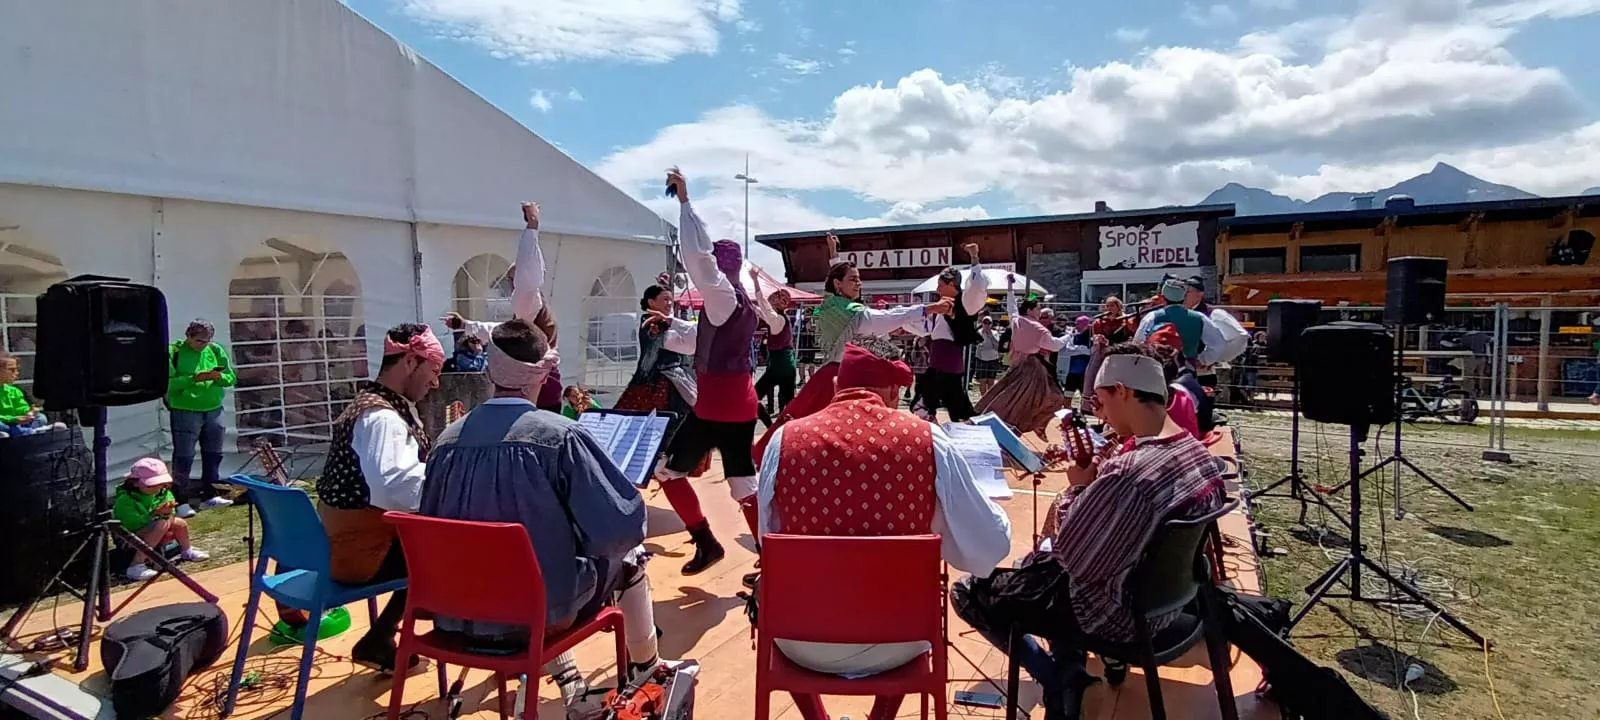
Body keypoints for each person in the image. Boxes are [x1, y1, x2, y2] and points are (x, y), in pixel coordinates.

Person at [953, 342, 1227, 720]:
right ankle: (1077, 674)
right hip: (1169, 603)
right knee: (1041, 574)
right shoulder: (1197, 453)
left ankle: (1061, 681)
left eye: (1100, 402)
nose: (1099, 414)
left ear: (1123, 392)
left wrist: (1080, 488)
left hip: (1116, 615)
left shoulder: (1128, 473)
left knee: (973, 589)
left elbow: (1072, 557)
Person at [757, 342, 1011, 720]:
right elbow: (987, 551)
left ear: (838, 384)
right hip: (902, 639)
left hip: (800, 639)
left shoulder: (785, 439)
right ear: (893, 392)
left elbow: (769, 540)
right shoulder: (928, 439)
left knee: (770, 591)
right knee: (913, 585)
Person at [420, 318, 666, 702]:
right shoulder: (560, 436)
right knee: (627, 558)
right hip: (533, 618)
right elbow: (620, 529)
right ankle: (649, 669)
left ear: (489, 371)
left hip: (453, 614)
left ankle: (568, 678)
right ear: (543, 374)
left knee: (531, 569)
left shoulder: (445, 442)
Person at [649, 168, 767, 569]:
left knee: (739, 485)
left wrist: (685, 202)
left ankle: (762, 556)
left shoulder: (722, 295)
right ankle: (714, 544)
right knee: (675, 473)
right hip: (717, 408)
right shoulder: (733, 303)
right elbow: (700, 338)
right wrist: (668, 325)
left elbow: (699, 260)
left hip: (724, 410)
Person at [315, 323, 443, 672]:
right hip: (359, 554)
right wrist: (448, 488)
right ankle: (463, 641)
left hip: (342, 543)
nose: (436, 382)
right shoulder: (381, 417)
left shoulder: (374, 405)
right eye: (433, 370)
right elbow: (394, 489)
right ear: (410, 362)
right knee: (453, 553)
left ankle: (384, 635)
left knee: (436, 552)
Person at [616, 278, 723, 574]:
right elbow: (695, 342)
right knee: (649, 468)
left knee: (654, 468)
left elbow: (693, 340)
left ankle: (702, 539)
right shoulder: (654, 325)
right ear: (650, 303)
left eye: (670, 299)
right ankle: (701, 538)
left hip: (666, 396)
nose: (668, 303)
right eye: (664, 299)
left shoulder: (664, 323)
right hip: (657, 397)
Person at [442, 202, 565, 412]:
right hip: (539, 387)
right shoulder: (528, 311)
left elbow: (527, 276)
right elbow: (502, 332)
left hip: (535, 389)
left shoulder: (529, 301)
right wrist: (466, 324)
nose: (511, 287)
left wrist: (532, 229)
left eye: (511, 281)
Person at [975, 277, 1068, 441]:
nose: (1039, 312)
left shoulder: (1017, 320)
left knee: (1010, 399)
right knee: (1052, 398)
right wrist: (1069, 336)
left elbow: (1011, 306)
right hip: (1032, 370)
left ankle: (1015, 426)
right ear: (1031, 310)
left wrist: (1010, 287)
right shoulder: (1038, 329)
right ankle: (1031, 425)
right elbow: (1055, 345)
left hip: (1017, 366)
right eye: (1038, 309)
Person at [907, 245, 988, 423]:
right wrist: (903, 323)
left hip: (946, 363)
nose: (937, 290)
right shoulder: (941, 307)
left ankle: (939, 432)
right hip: (941, 363)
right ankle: (950, 430)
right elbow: (927, 329)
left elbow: (976, 286)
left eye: (940, 285)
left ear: (952, 285)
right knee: (954, 406)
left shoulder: (965, 303)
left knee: (925, 404)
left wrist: (974, 257)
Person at [165, 319, 237, 517]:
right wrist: (194, 378)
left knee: (214, 453)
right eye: (198, 341)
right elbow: (167, 384)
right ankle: (180, 501)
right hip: (185, 410)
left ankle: (210, 495)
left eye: (206, 341)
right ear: (188, 336)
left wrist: (218, 377)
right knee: (184, 456)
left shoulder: (215, 350)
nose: (203, 345)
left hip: (213, 409)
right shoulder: (174, 352)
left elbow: (231, 377)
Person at [114, 458, 209, 581]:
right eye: (151, 484)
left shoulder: (163, 492)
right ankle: (136, 565)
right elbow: (130, 524)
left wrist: (166, 513)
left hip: (157, 529)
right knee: (162, 523)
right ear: (135, 483)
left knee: (179, 523)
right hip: (129, 537)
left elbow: (171, 511)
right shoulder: (125, 499)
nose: (157, 487)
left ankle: (186, 550)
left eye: (160, 483)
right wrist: (156, 515)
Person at [1134, 280, 1226, 368]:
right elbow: (1218, 343)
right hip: (1188, 367)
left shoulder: (1152, 317)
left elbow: (1138, 343)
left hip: (1159, 368)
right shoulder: (1199, 318)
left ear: (1162, 297)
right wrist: (1203, 360)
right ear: (1184, 296)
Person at [1180, 276, 1248, 393]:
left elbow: (1241, 336)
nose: (1184, 295)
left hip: (1203, 373)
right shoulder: (1178, 312)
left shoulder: (1213, 314)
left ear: (1199, 294)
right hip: (1180, 373)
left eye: (1187, 291)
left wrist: (1210, 359)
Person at [752, 269, 798, 426]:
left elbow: (764, 308)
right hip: (782, 367)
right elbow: (762, 311)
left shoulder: (778, 320)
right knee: (788, 401)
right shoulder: (779, 319)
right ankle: (776, 427)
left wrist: (755, 281)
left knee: (756, 397)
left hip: (781, 368)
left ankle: (774, 427)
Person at [0, 353, 64, 438]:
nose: (16, 373)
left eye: (16, 369)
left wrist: (29, 413)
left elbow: (21, 407)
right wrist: (13, 419)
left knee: (41, 418)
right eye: (12, 370)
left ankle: (24, 433)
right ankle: (31, 432)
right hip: (6, 423)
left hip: (16, 423)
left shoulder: (14, 390)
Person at [1059, 315, 1094, 396]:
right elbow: (1068, 350)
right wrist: (1082, 349)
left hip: (1086, 371)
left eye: (1078, 324)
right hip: (1072, 371)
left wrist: (1077, 349)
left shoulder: (1091, 337)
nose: (1076, 327)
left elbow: (1091, 351)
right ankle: (1069, 408)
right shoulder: (1074, 336)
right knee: (1068, 394)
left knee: (1085, 396)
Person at [974, 315, 1004, 395]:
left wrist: (990, 335)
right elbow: (979, 345)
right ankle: (982, 398)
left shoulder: (995, 333)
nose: (987, 325)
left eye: (989, 323)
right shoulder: (979, 332)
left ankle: (989, 399)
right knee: (982, 380)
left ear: (991, 324)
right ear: (982, 323)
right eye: (985, 323)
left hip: (993, 359)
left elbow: (997, 346)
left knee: (991, 381)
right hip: (981, 359)